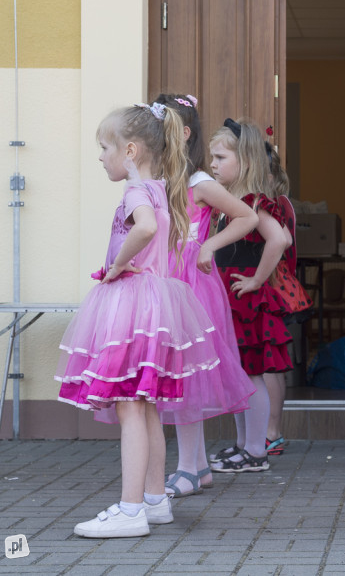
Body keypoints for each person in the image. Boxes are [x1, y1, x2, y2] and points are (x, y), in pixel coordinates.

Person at [56, 102, 218, 538]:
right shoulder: (161, 188)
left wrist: (114, 267)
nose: (101, 156)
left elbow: (143, 230)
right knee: (146, 408)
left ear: (129, 150)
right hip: (155, 304)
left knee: (129, 406)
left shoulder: (135, 193)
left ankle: (130, 510)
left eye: (105, 147)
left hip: (132, 303)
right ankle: (154, 499)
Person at [149, 94, 258, 498]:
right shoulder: (158, 181)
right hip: (164, 281)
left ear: (181, 134)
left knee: (186, 375)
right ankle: (197, 466)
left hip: (191, 285)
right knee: (172, 373)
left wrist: (210, 247)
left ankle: (189, 469)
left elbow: (247, 217)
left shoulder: (199, 183)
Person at [207, 119, 292, 473]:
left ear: (245, 160)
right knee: (239, 375)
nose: (212, 164)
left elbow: (281, 239)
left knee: (251, 374)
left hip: (246, 298)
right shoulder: (231, 202)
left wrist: (258, 280)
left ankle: (256, 450)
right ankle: (243, 445)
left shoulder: (254, 203)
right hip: (230, 295)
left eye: (220, 157)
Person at [264, 138, 302, 457]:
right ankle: (269, 431)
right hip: (277, 285)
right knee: (270, 364)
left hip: (269, 287)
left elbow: (283, 243)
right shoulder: (283, 202)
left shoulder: (271, 203)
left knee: (269, 364)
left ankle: (271, 431)